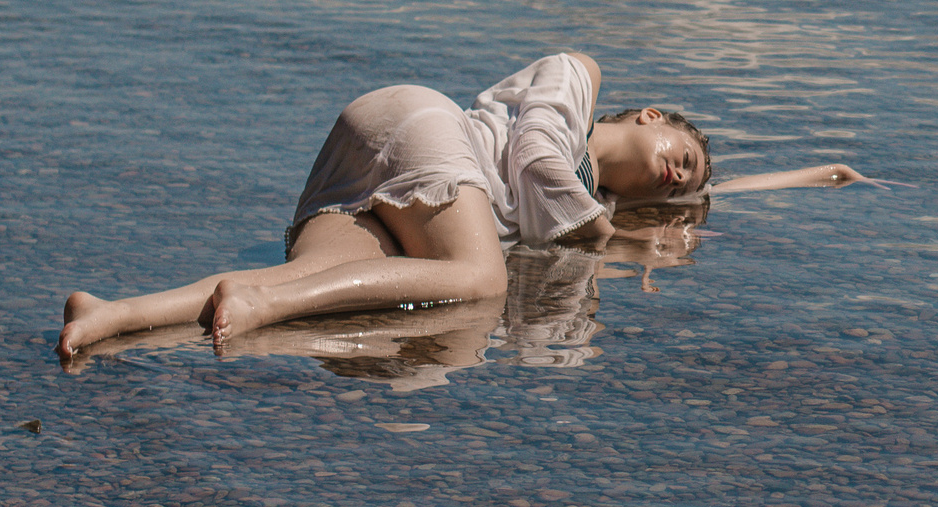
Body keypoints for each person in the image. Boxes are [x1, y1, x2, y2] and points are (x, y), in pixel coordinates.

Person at [56, 51, 865, 361]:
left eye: (676, 186)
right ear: (651, 115)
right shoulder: (578, 79)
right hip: (419, 126)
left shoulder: (592, 196)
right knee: (480, 285)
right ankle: (263, 306)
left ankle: (114, 317)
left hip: (390, 180)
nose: (674, 177)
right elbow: (536, 154)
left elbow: (693, 195)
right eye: (679, 159)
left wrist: (809, 177)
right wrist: (611, 240)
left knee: (316, 295)